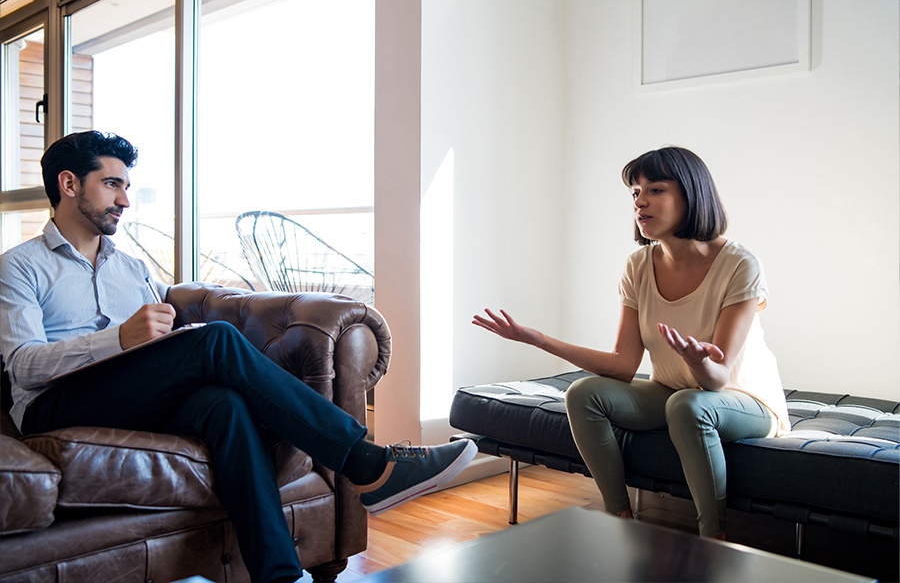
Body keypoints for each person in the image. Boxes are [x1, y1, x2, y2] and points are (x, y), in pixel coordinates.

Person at [0, 130, 476, 583]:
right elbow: (23, 365)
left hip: (130, 395)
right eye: (111, 184)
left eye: (126, 186)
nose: (125, 199)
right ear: (68, 184)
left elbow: (159, 347)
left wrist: (162, 343)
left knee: (222, 406)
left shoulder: (132, 269)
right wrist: (119, 339)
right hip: (54, 404)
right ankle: (365, 463)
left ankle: (279, 574)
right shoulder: (19, 267)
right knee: (217, 340)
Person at [473, 147, 789, 540]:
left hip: (745, 402)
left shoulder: (739, 264)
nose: (640, 201)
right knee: (584, 393)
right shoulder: (638, 266)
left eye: (654, 189)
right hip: (673, 392)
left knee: (687, 404)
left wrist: (697, 360)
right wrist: (535, 339)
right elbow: (623, 364)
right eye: (635, 192)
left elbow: (717, 379)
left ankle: (714, 536)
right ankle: (619, 517)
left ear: (691, 195)